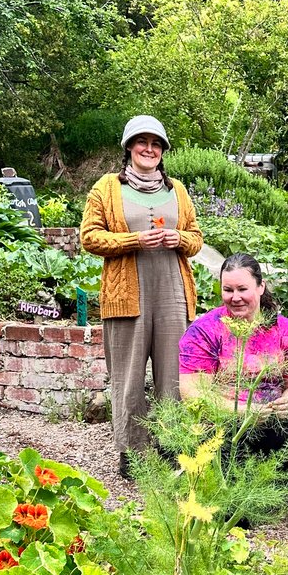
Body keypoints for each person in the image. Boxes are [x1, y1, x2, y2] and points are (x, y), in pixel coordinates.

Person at [80, 115, 204, 478]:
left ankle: (170, 446)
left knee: (174, 376)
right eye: (141, 142)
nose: (148, 149)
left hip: (172, 292)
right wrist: (135, 241)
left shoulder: (177, 190)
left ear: (162, 151)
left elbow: (195, 237)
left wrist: (178, 239)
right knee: (129, 376)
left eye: (155, 144)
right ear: (129, 148)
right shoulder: (106, 188)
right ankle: (131, 453)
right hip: (126, 297)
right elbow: (89, 237)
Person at [178, 253, 288, 464]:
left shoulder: (285, 330)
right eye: (228, 290)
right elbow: (193, 394)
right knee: (205, 448)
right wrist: (244, 412)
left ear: (260, 287)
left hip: (270, 420)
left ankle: (271, 493)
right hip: (219, 421)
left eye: (242, 289)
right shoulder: (204, 330)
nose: (235, 297)